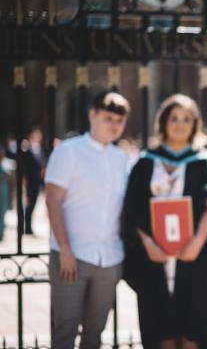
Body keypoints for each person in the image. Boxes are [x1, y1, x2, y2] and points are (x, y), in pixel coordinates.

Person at [122, 94, 207, 349]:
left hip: (193, 258)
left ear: (195, 124)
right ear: (164, 122)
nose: (180, 124)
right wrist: (147, 243)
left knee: (193, 335)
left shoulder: (203, 162)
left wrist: (197, 244)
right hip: (154, 259)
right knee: (161, 335)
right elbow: (132, 209)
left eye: (187, 119)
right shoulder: (146, 163)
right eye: (175, 118)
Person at [45, 92, 130, 349]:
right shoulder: (69, 152)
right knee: (65, 331)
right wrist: (66, 251)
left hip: (109, 258)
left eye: (119, 120)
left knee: (95, 334)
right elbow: (53, 202)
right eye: (108, 118)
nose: (113, 125)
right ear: (92, 115)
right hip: (72, 256)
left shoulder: (122, 158)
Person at [22, 127, 45, 235]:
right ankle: (26, 227)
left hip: (37, 181)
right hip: (30, 181)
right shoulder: (27, 149)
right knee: (29, 204)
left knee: (34, 203)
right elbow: (25, 168)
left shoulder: (40, 149)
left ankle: (29, 227)